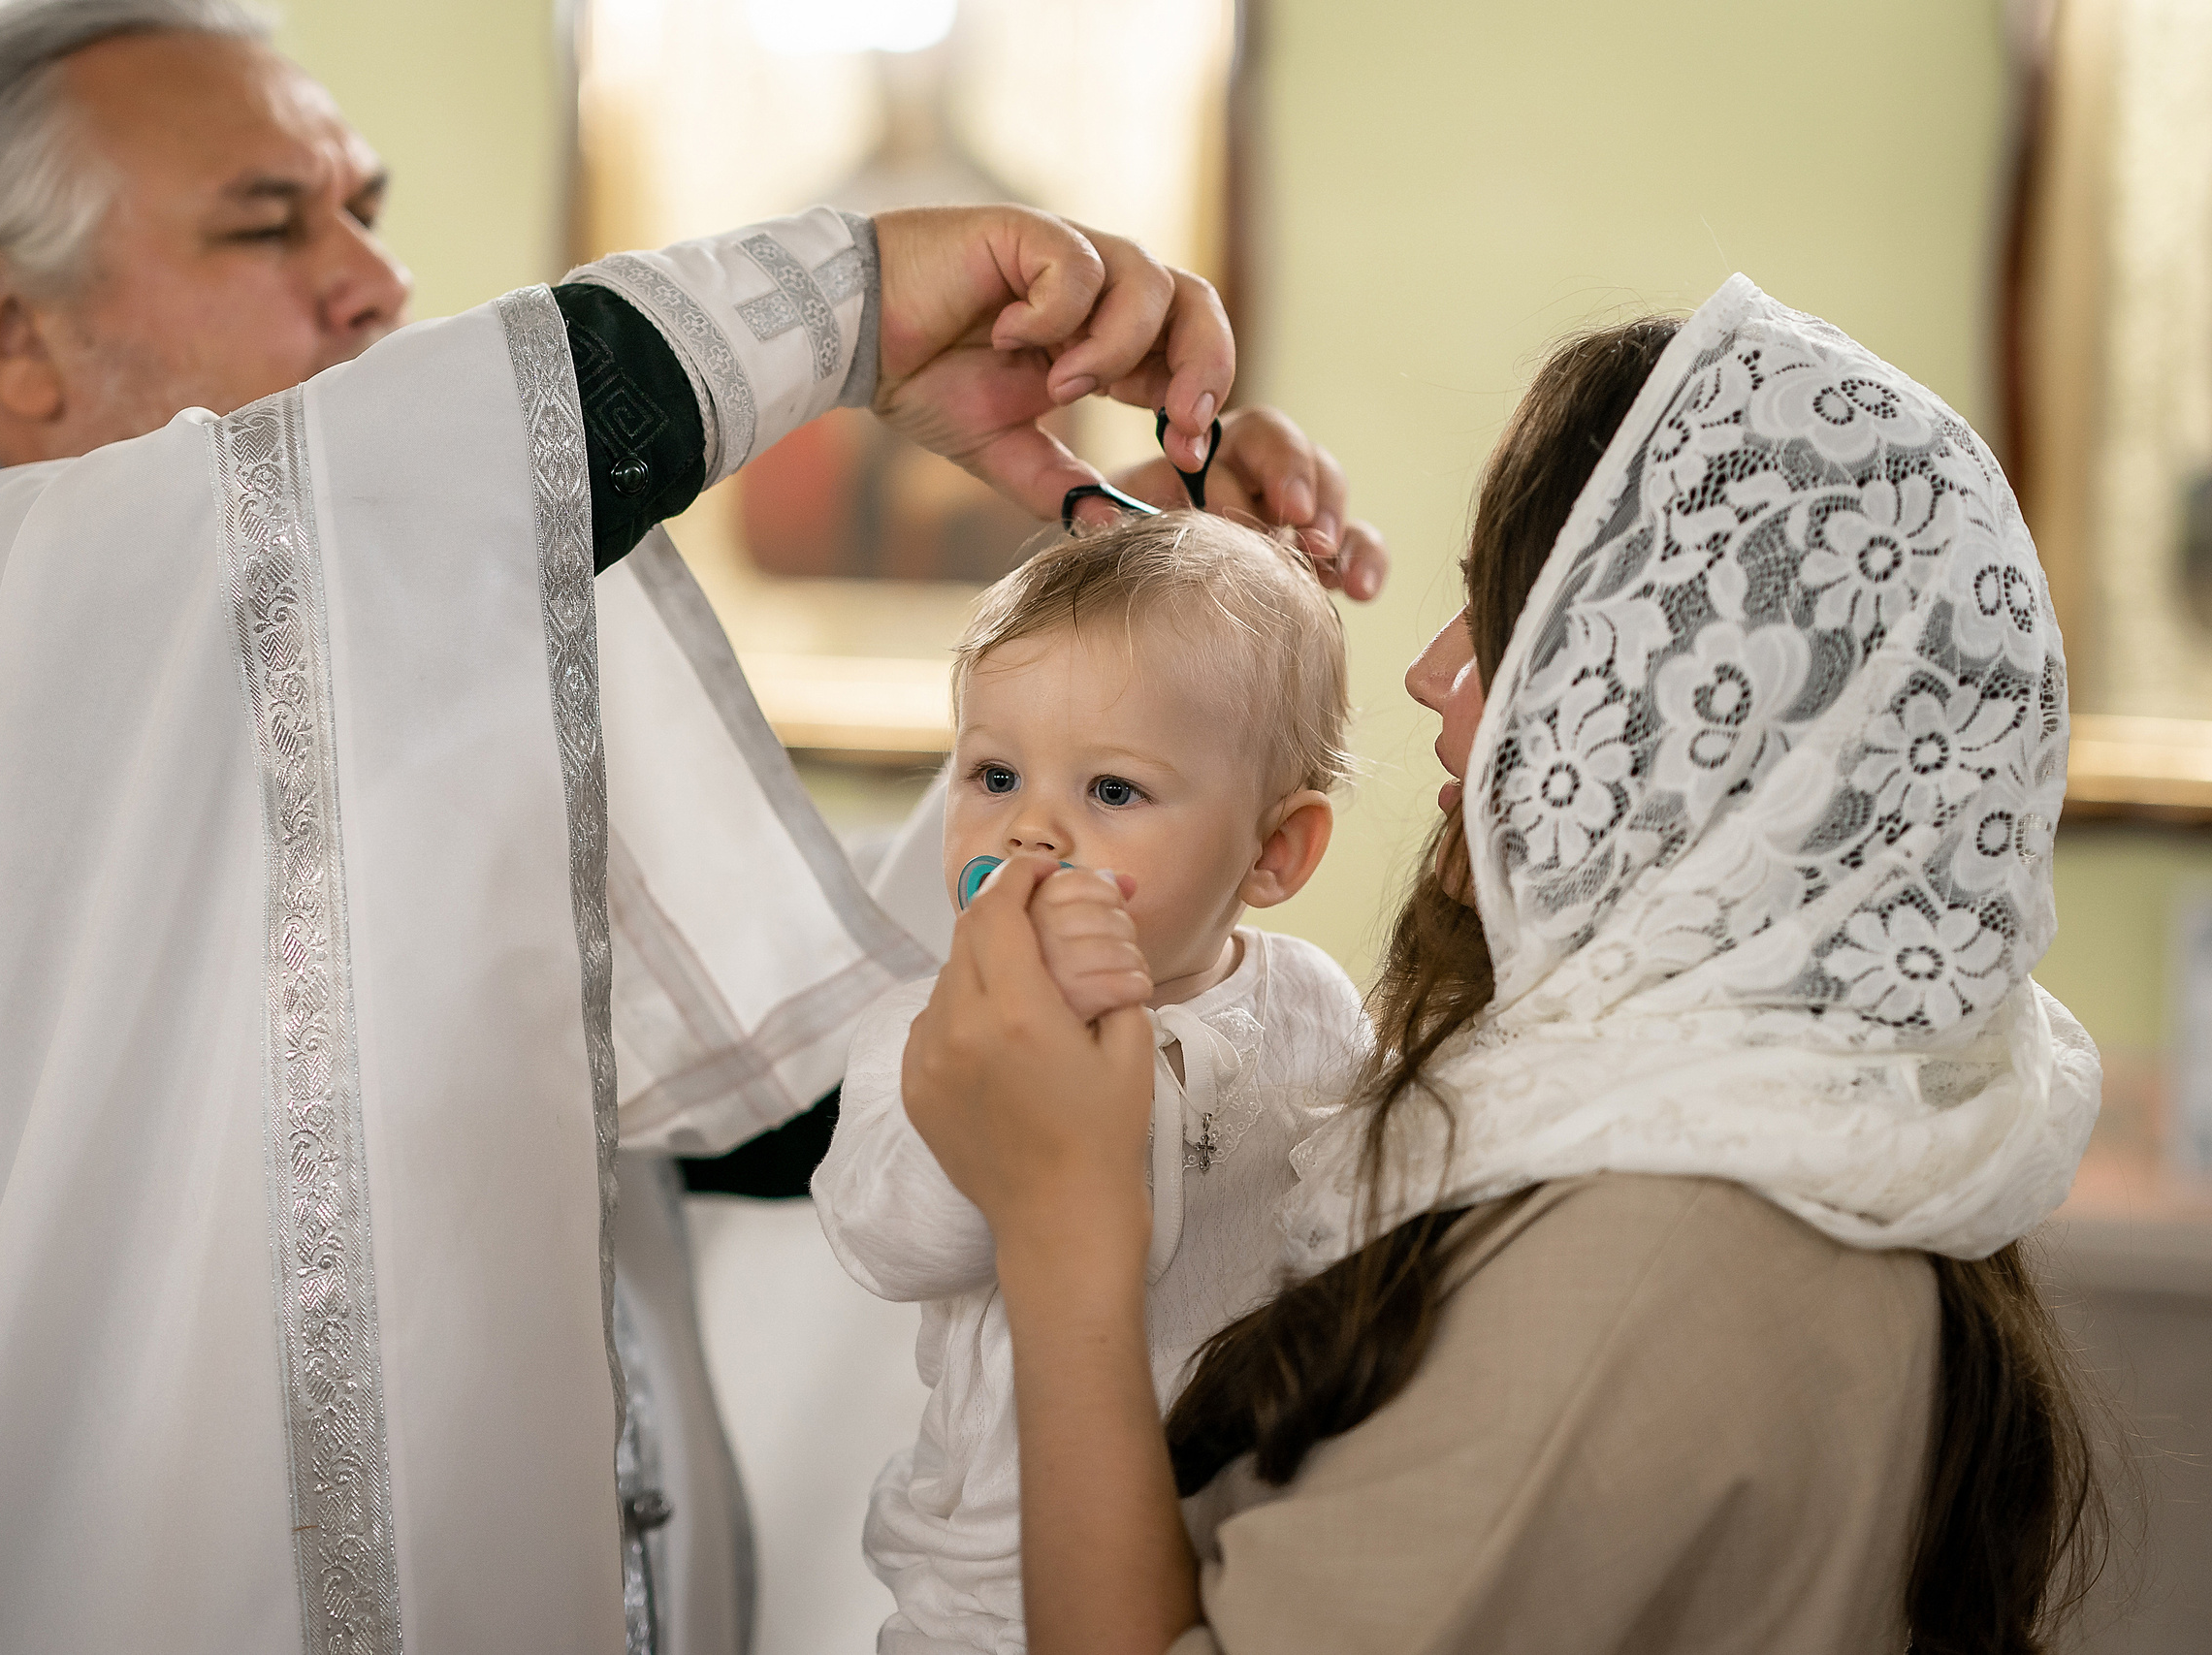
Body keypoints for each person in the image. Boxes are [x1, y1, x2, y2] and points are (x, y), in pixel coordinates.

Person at [0, 0, 1389, 1650]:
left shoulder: (388, 644)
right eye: (268, 222)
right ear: (10, 329)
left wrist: (1165, 657)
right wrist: (846, 307)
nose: (374, 279)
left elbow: (795, 1085)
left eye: (364, 209)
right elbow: (244, 546)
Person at [900, 276, 2107, 1655]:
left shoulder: (1635, 1265)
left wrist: (1062, 1227)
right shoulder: (1772, 1128)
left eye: (1505, 620)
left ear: (1689, 726)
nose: (1429, 671)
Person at [814, 513, 1369, 1654]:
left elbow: (1367, 1218)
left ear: (1272, 852)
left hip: (1258, 1553)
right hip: (993, 1595)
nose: (1030, 831)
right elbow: (889, 1246)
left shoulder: (1309, 1001)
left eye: (1111, 790)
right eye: (994, 775)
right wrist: (1007, 1065)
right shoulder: (935, 1028)